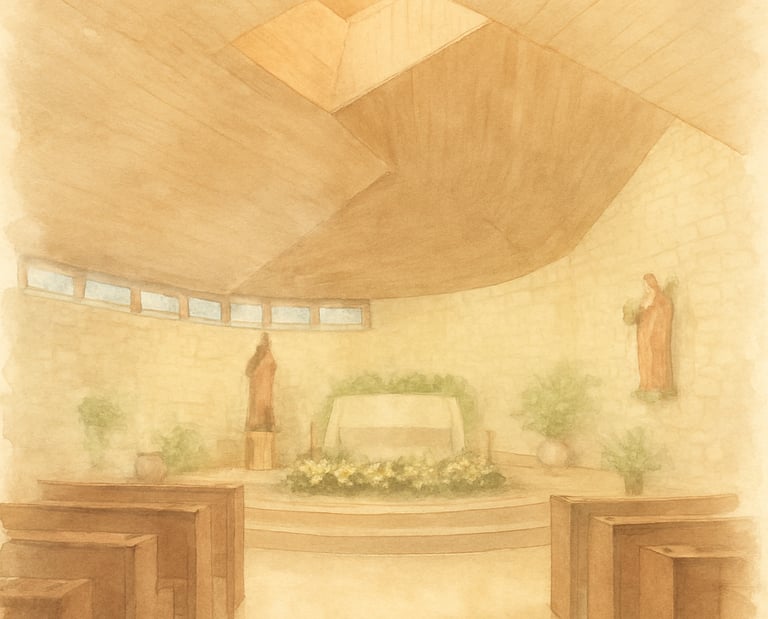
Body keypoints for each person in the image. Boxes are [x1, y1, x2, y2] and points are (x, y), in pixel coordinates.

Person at [635, 273, 675, 396]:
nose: (645, 287)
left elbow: (665, 313)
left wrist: (654, 312)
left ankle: (658, 386)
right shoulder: (644, 299)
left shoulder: (662, 299)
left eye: (646, 284)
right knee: (645, 359)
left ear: (652, 283)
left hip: (656, 336)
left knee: (657, 360)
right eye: (644, 285)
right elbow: (640, 316)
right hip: (644, 335)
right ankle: (646, 385)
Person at [245, 333, 277, 431]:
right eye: (263, 340)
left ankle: (264, 424)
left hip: (265, 387)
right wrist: (256, 372)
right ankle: (256, 424)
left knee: (264, 404)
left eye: (266, 341)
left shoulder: (268, 355)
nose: (264, 343)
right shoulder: (258, 354)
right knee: (256, 405)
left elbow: (272, 367)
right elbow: (248, 370)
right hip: (257, 386)